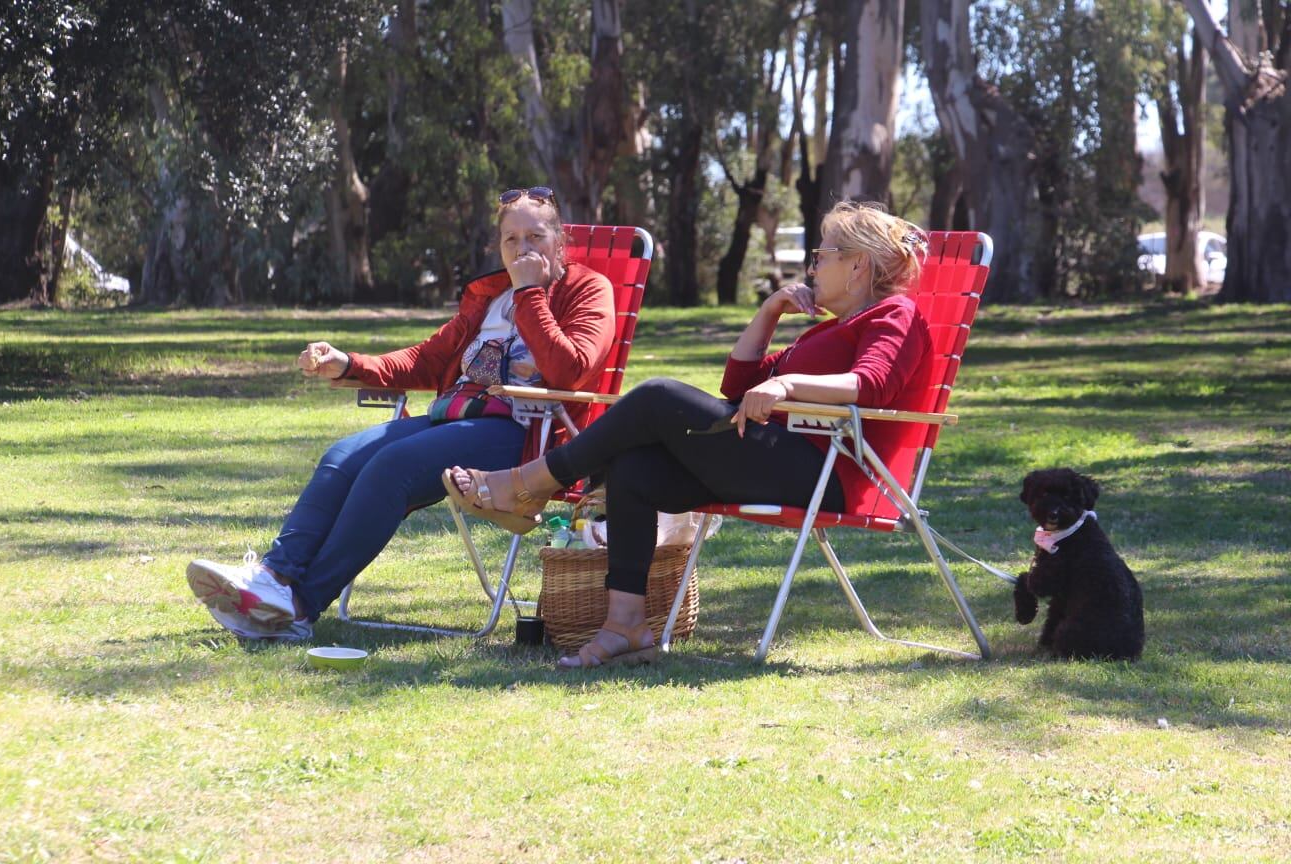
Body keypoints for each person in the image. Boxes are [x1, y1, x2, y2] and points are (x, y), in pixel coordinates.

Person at [445, 201, 934, 669]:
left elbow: (869, 385)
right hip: (775, 457)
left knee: (657, 394)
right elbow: (738, 386)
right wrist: (768, 313)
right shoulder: (827, 330)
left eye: (822, 255)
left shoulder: (895, 315)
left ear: (857, 267)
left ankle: (529, 484)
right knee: (635, 469)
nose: (813, 269)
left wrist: (786, 383)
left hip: (820, 473)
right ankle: (625, 626)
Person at [187, 187, 616, 641]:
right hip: (455, 418)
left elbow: (571, 370)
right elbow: (429, 359)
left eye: (536, 236)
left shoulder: (588, 290)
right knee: (343, 455)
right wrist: (350, 363)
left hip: (527, 435)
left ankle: (298, 607)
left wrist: (531, 292)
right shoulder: (490, 296)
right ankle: (273, 579)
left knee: (392, 467)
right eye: (511, 239)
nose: (523, 249)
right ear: (499, 246)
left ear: (559, 242)